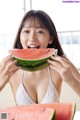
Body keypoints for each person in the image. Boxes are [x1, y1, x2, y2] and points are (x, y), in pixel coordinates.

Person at [0, 10, 80, 105]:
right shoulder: (9, 66)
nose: (32, 38)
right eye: (26, 31)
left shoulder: (62, 64)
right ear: (20, 37)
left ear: (50, 38)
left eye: (39, 32)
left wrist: (70, 79)